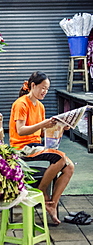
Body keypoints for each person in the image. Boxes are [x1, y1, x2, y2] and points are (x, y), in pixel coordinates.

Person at [9, 71, 74, 224]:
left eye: (47, 89)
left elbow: (42, 132)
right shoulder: (21, 103)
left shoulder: (40, 106)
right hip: (21, 147)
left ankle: (52, 203)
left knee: (69, 166)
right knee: (60, 157)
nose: (45, 91)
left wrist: (60, 127)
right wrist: (44, 124)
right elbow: (21, 130)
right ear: (33, 85)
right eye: (42, 88)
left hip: (35, 145)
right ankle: (42, 191)